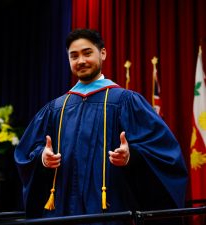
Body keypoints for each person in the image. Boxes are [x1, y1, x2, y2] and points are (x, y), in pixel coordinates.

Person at [14, 29, 188, 224]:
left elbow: (164, 152)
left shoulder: (125, 101)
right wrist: (42, 158)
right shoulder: (55, 109)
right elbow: (26, 153)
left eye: (87, 53)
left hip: (110, 213)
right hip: (61, 212)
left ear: (102, 53)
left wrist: (132, 155)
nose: (80, 60)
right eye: (74, 56)